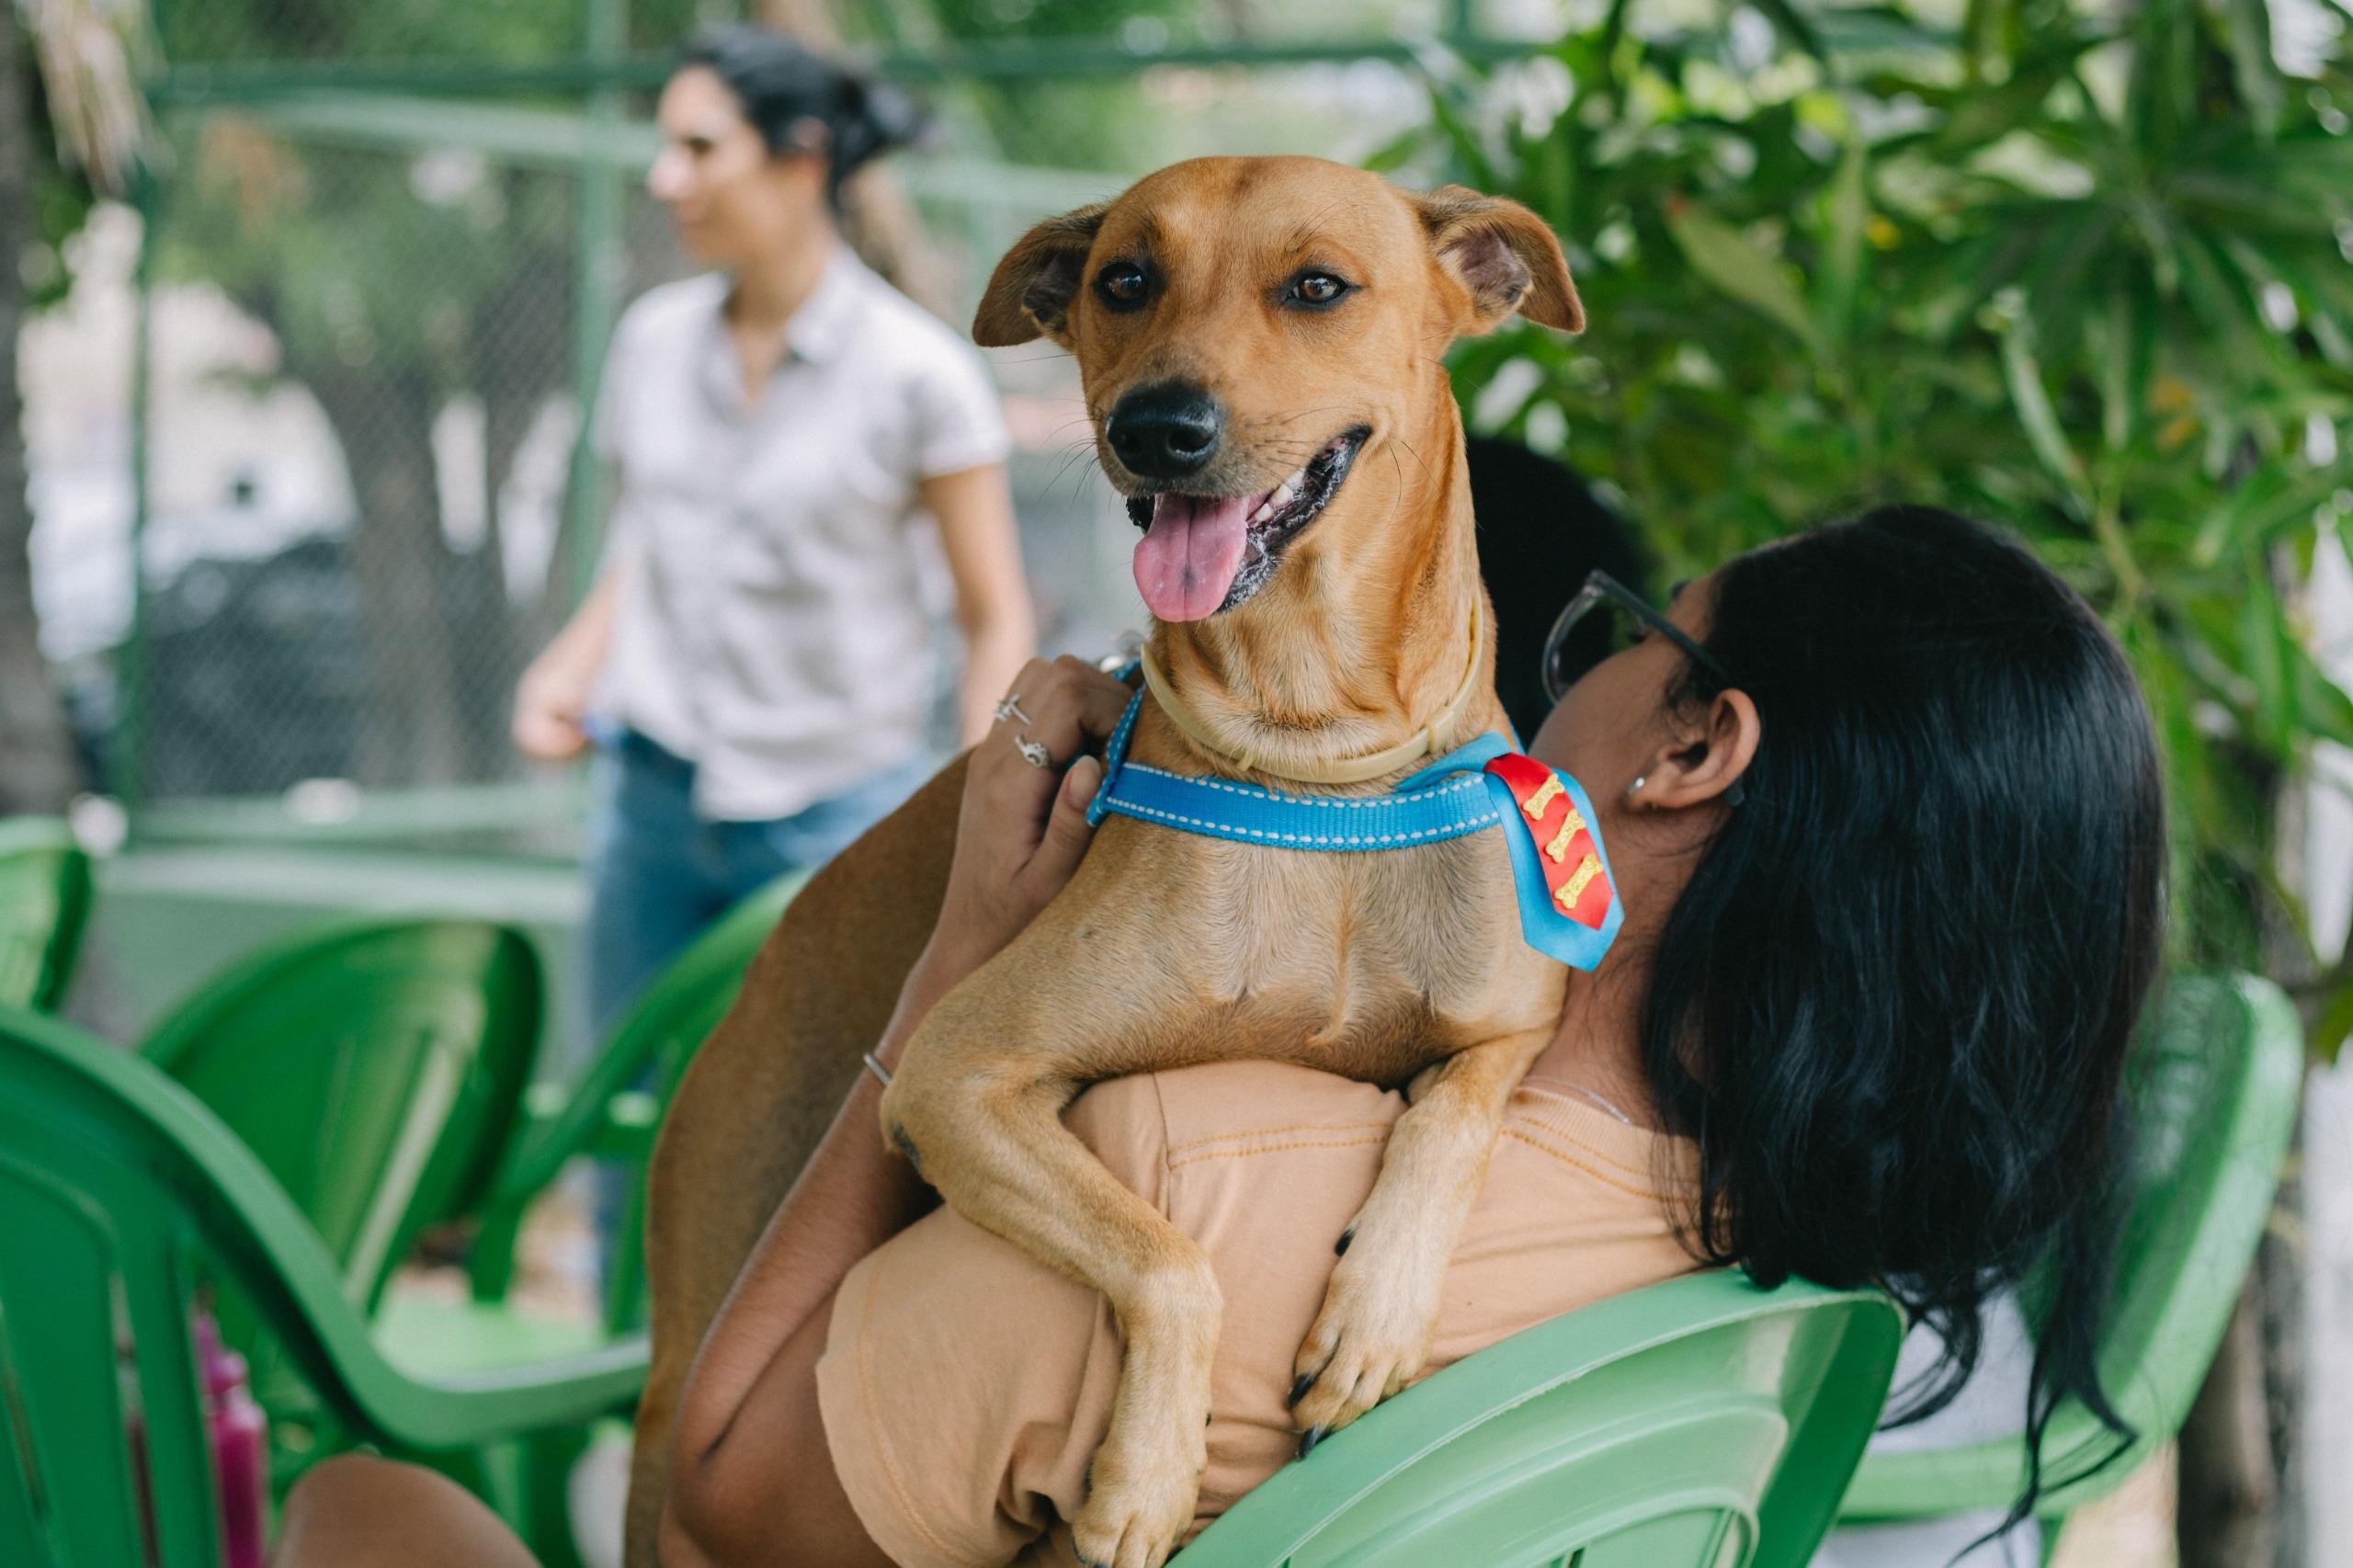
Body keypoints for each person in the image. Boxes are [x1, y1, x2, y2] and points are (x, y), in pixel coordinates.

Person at [283, 506, 2162, 1568]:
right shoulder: (1796, 1298)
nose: (1564, 677)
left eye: (1626, 636)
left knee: (360, 1506)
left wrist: (957, 966)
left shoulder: (1197, 1177)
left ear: (1689, 749)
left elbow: (731, 1492)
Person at [515, 27, 1037, 1029]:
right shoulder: (650, 341)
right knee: (617, 1093)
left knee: (811, 1110)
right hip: (649, 801)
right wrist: (569, 667)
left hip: (834, 817)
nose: (666, 178)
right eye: (666, 147)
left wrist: (977, 813)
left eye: (700, 148)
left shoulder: (919, 375)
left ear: (801, 159)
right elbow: (649, 541)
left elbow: (991, 616)